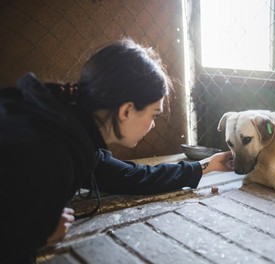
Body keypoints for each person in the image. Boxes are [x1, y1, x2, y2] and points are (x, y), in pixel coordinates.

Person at [0, 38, 234, 263]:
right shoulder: (50, 152)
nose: (153, 125)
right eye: (154, 114)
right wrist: (38, 233)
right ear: (126, 111)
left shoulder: (72, 132)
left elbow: (130, 177)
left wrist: (207, 165)